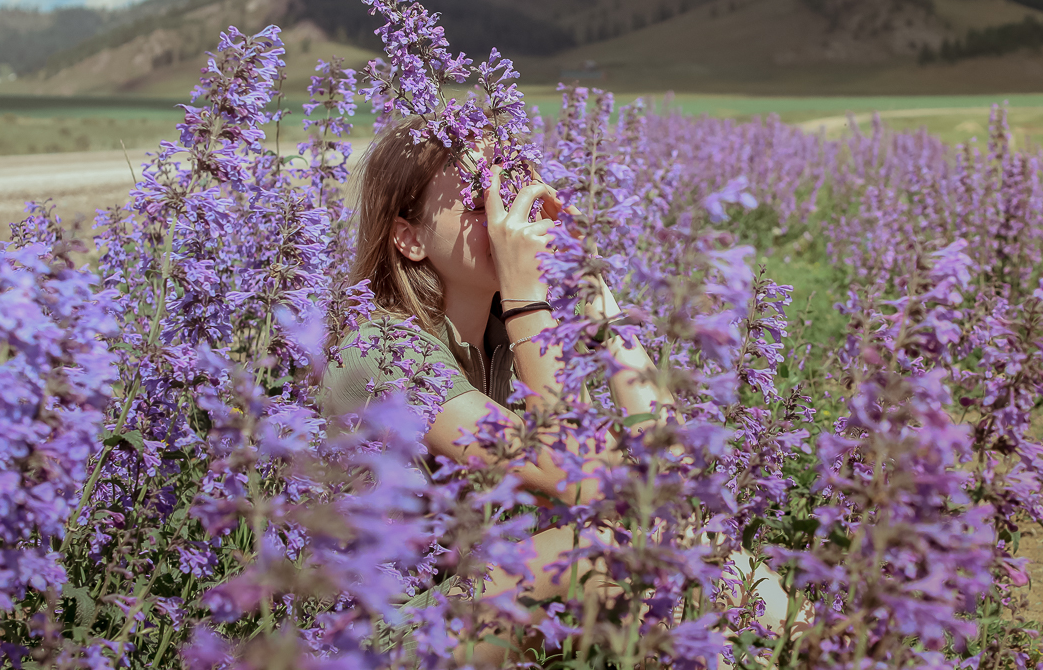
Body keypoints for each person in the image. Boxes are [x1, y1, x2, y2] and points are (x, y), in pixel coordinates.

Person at [321, 118, 792, 663]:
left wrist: (593, 293)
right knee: (596, 555)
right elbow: (581, 478)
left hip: (471, 604)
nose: (507, 217)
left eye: (512, 192)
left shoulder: (503, 341)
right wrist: (527, 299)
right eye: (480, 204)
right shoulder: (381, 353)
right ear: (409, 238)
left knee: (698, 545)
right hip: (382, 644)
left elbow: (673, 473)